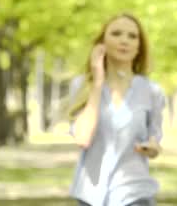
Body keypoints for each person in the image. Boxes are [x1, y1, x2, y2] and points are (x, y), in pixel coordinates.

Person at [66, 13, 166, 206]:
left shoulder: (152, 91)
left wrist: (152, 148)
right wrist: (97, 82)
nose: (124, 40)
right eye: (116, 33)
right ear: (102, 42)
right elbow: (82, 137)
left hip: (135, 193)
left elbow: (155, 140)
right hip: (91, 195)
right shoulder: (82, 86)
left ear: (139, 47)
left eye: (132, 36)